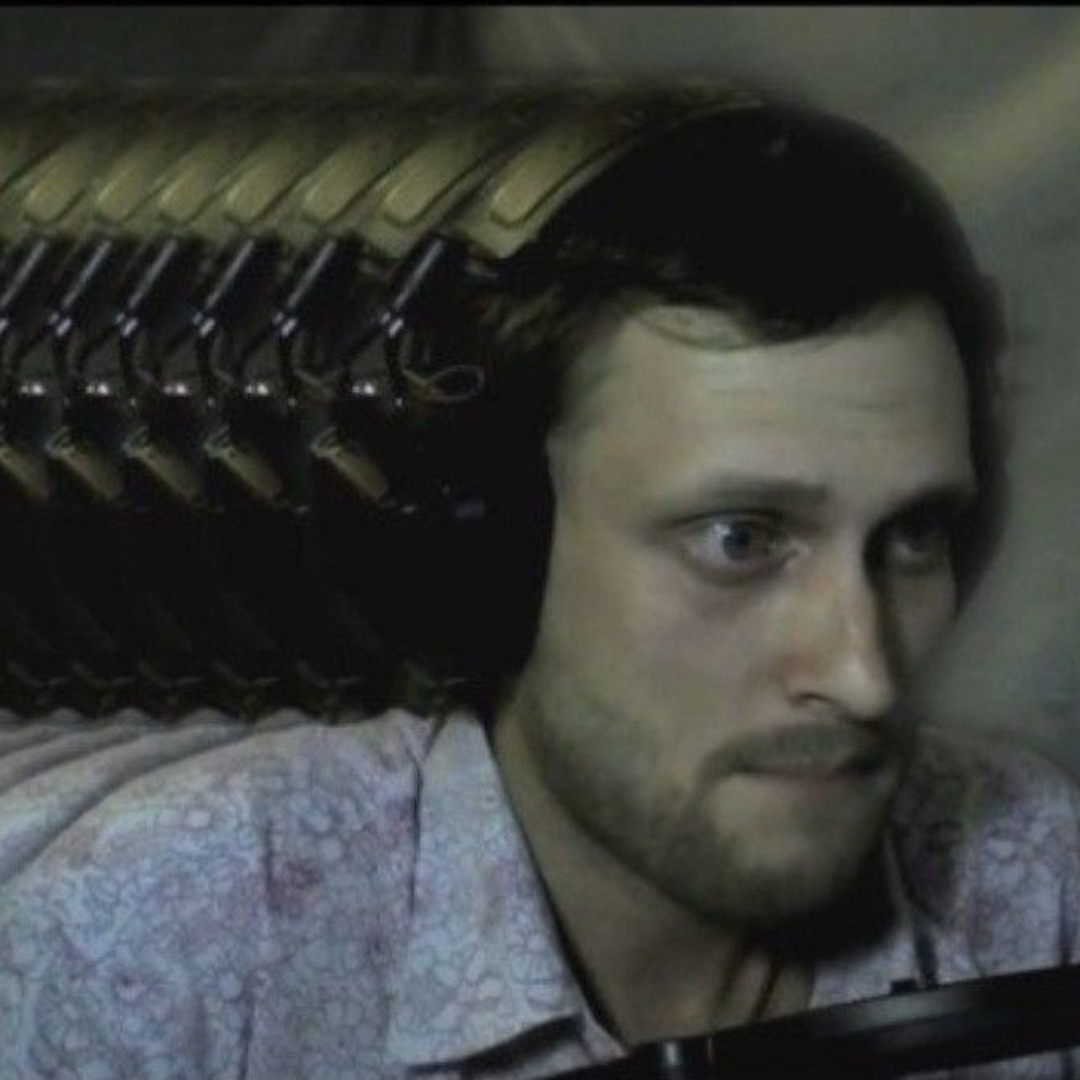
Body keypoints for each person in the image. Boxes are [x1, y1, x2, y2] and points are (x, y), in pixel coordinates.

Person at [2, 87, 1079, 1080]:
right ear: (503, 554)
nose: (864, 676)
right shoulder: (159, 949)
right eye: (741, 539)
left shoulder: (1039, 875)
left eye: (914, 535)